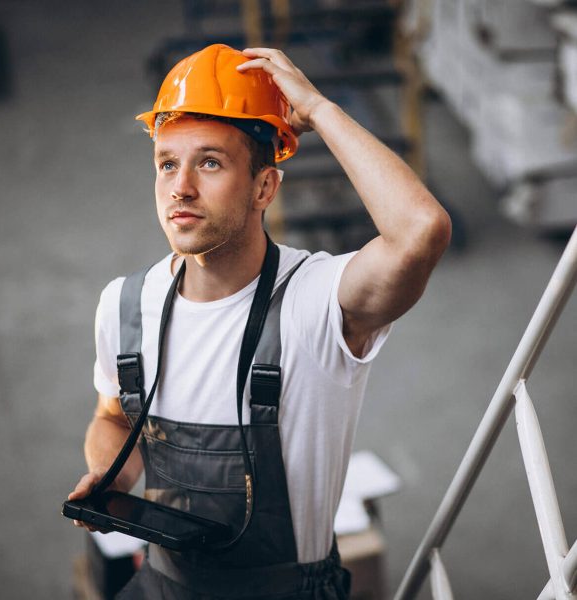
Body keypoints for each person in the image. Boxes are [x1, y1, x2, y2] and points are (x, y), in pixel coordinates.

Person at [68, 43, 451, 599]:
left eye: (210, 162)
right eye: (167, 163)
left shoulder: (316, 302)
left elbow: (421, 231)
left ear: (265, 187)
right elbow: (113, 419)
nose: (181, 187)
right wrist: (113, 480)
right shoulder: (126, 306)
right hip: (165, 587)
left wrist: (317, 109)